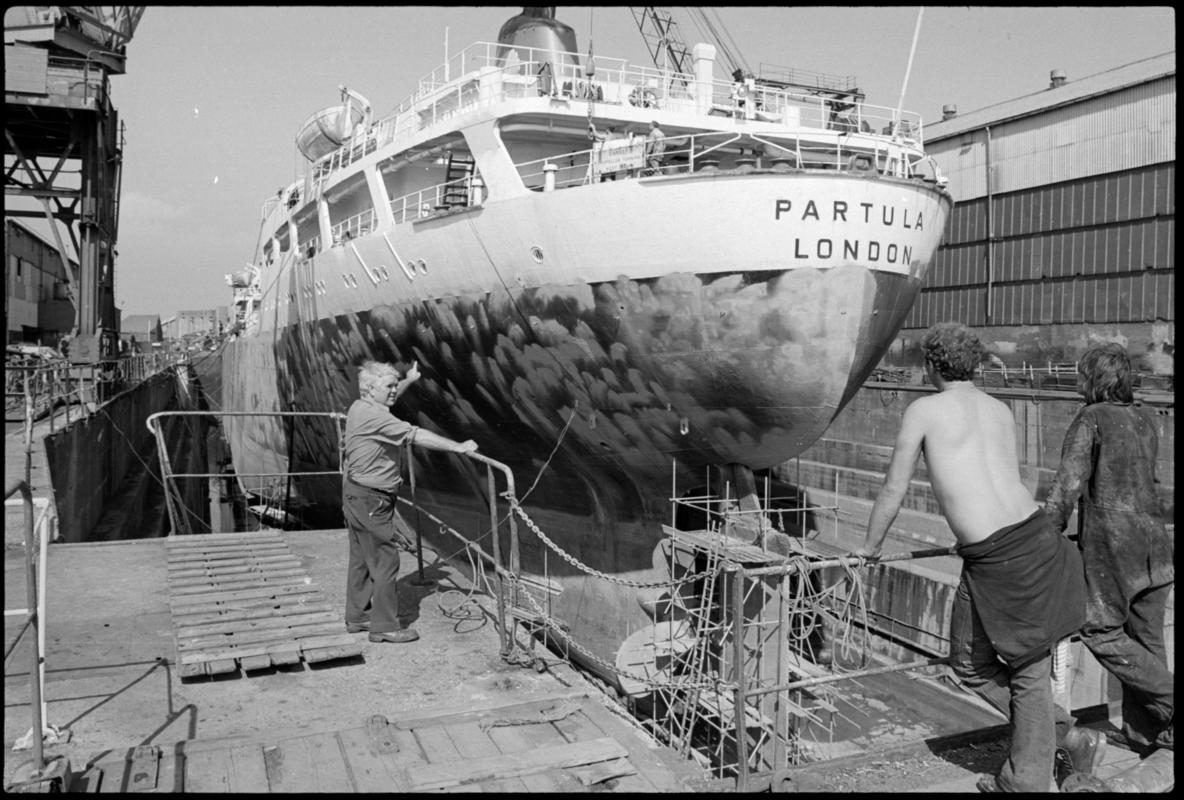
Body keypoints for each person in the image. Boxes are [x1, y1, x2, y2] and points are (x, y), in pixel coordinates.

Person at [853, 322, 1105, 792]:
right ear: (973, 363)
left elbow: (894, 486)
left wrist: (870, 547)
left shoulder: (924, 410)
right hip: (1035, 542)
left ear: (931, 366)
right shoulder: (999, 409)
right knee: (974, 663)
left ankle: (1027, 778)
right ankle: (1065, 738)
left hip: (1002, 559)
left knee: (1022, 670)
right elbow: (1012, 481)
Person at [1044, 344, 1173, 755]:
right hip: (1156, 546)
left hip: (1114, 551)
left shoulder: (1091, 418)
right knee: (1147, 638)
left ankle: (1170, 700)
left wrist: (1047, 533)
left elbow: (1068, 484)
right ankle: (1148, 736)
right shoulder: (1146, 416)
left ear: (1092, 380)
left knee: (1098, 630)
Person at [342, 360, 478, 643]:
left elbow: (386, 398)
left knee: (361, 559)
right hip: (372, 499)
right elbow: (416, 435)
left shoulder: (360, 406)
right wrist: (458, 446)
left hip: (356, 494)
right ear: (369, 389)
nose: (393, 391)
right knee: (386, 559)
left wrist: (409, 380)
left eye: (395, 386)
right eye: (389, 386)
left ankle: (357, 617)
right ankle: (384, 627)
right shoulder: (377, 418)